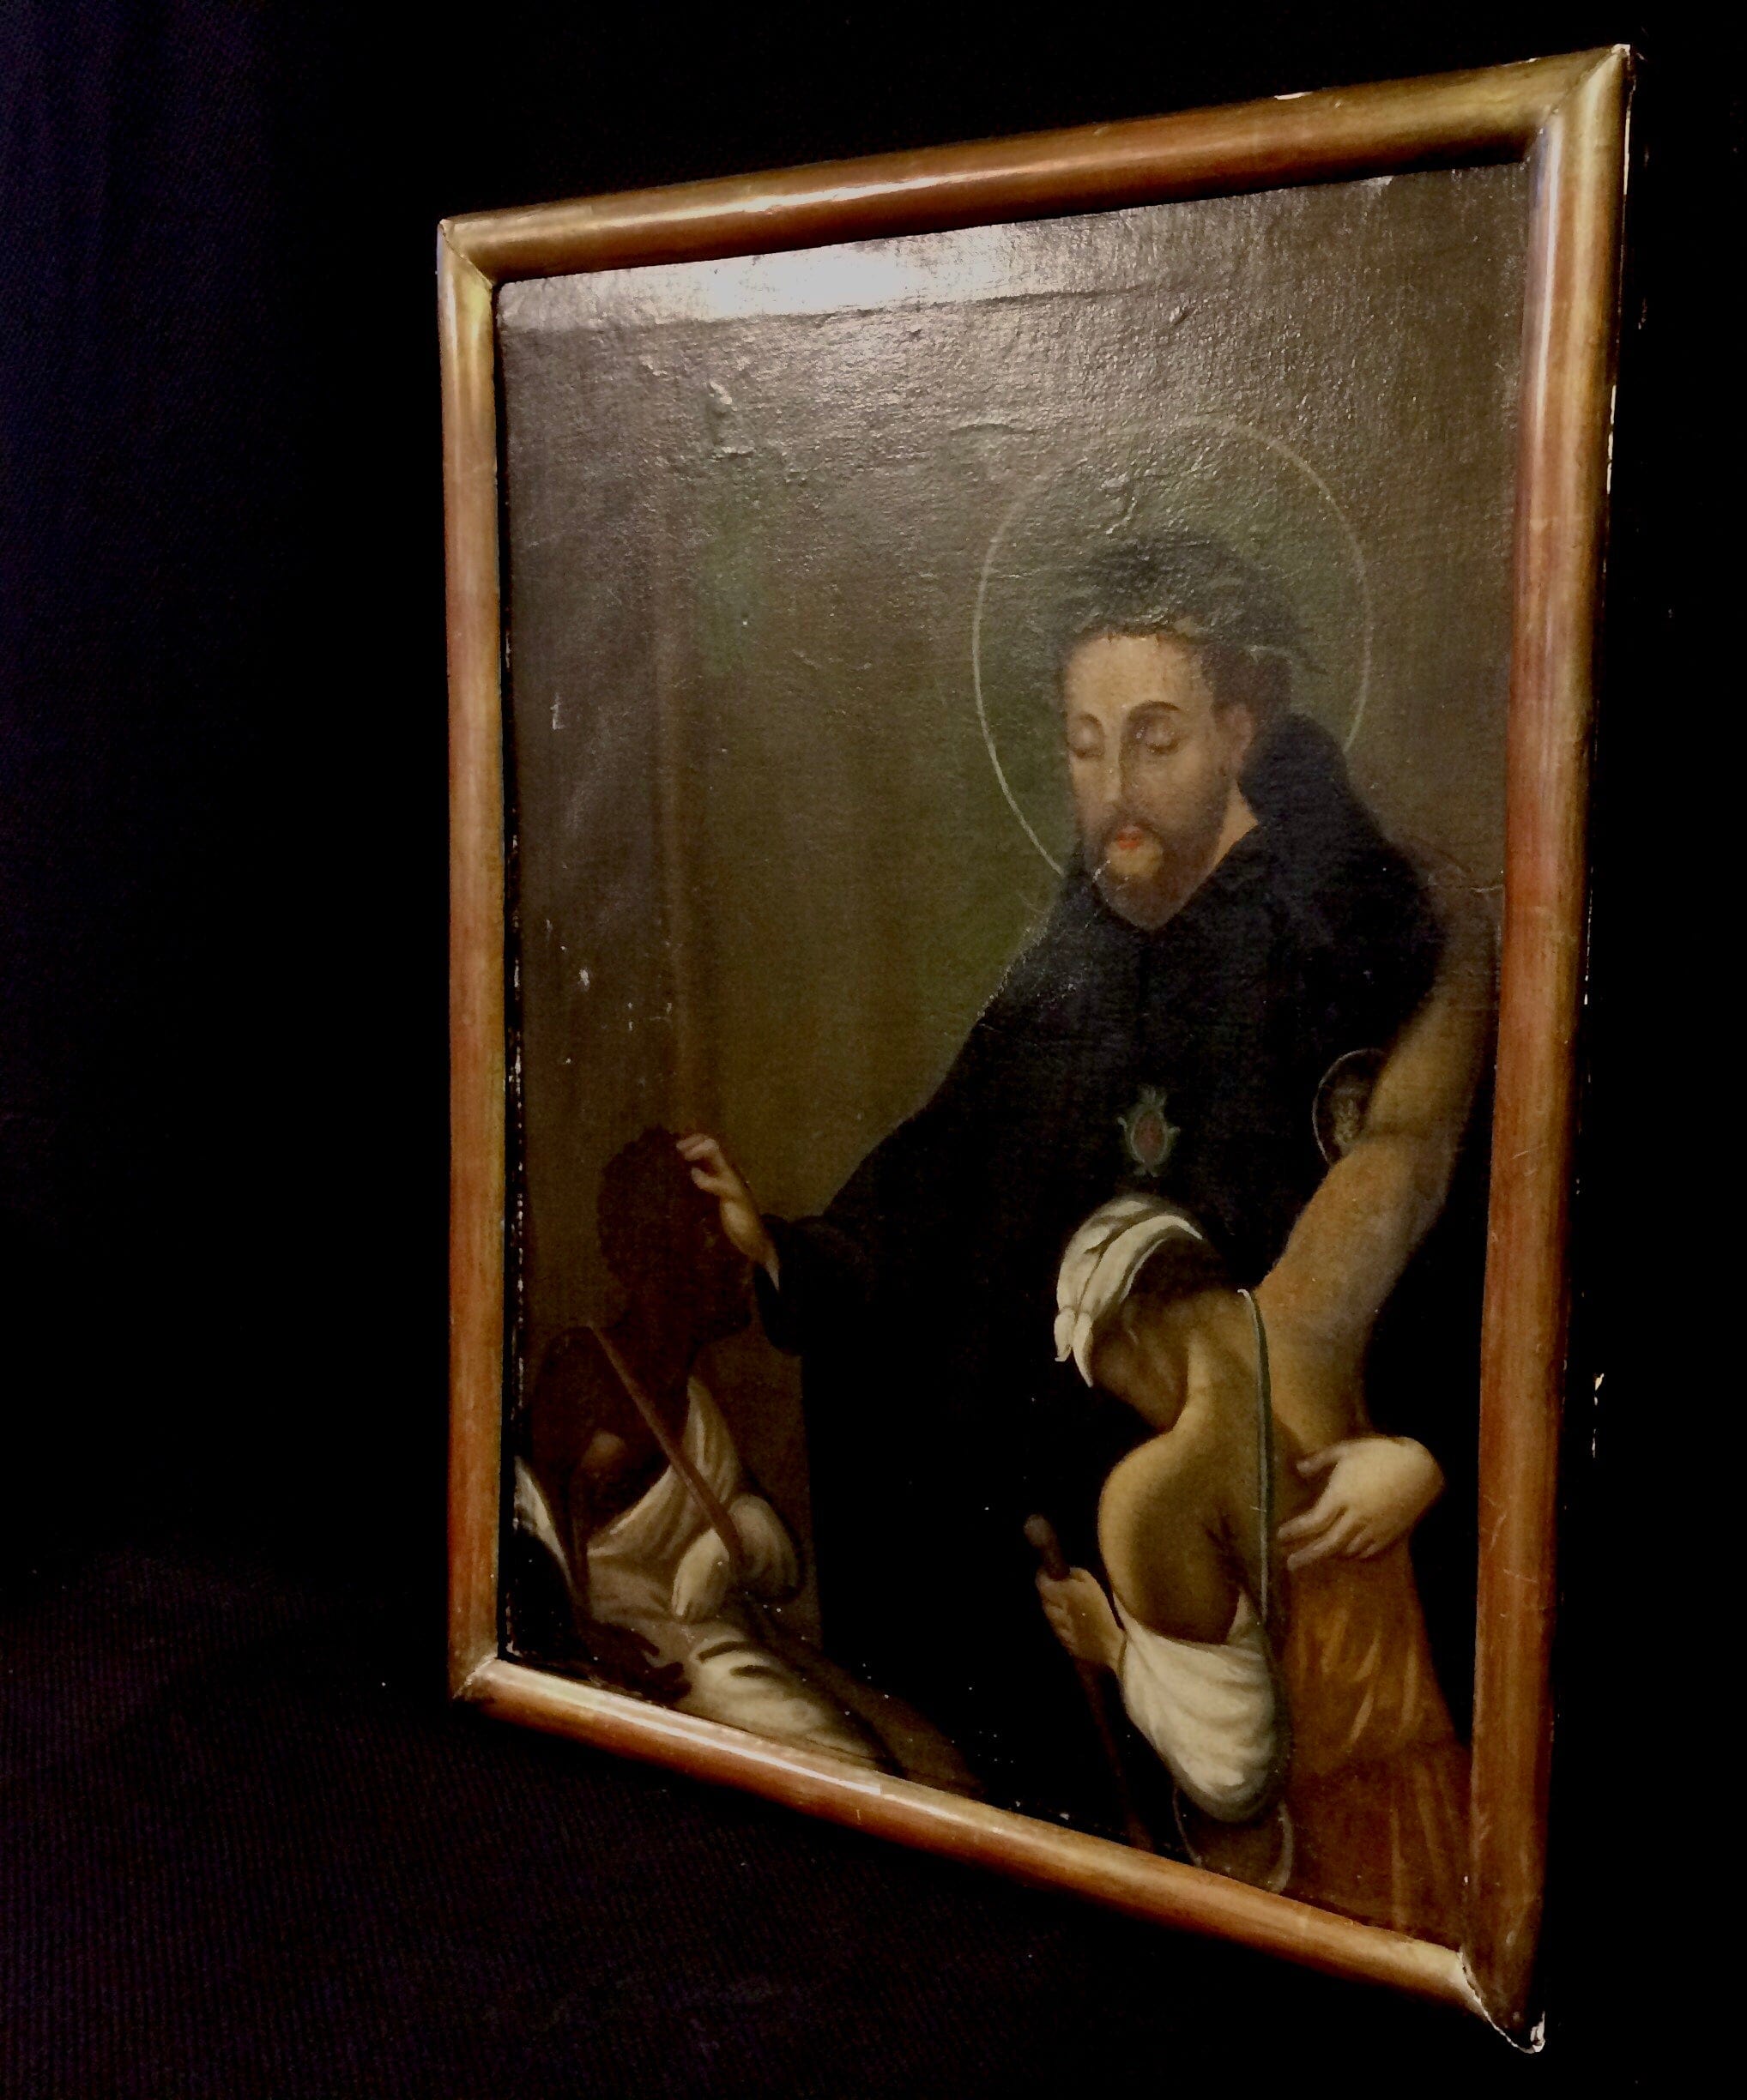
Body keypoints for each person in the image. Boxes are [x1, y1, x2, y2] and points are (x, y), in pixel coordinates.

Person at [680, 533, 1490, 1828]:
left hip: (1275, 1521)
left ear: (1241, 729)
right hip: (1080, 1537)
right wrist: (789, 1253)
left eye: (1155, 740)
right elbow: (946, 1165)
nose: (1116, 786)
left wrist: (1430, 1448)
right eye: (1084, 744)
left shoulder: (1357, 936)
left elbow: (1438, 1224)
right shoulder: (1090, 934)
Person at [1034, 928, 1487, 1941]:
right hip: (1436, 1813)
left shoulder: (1152, 1496)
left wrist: (1116, 1651)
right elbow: (1410, 1137)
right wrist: (1471, 931)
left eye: (1105, 1374)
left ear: (1123, 1334)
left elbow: (1233, 1774)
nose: (1120, 1400)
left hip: (1329, 1882)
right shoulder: (1315, 1306)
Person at [514, 1127, 970, 1789]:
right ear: (654, 1253)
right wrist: (583, 1641)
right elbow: (527, 1528)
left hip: (731, 1637)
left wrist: (735, 1542)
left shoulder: (696, 1403)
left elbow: (782, 1568)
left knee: (934, 1761)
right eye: (710, 1233)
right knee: (863, 1770)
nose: (736, 1253)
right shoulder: (586, 1370)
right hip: (653, 1665)